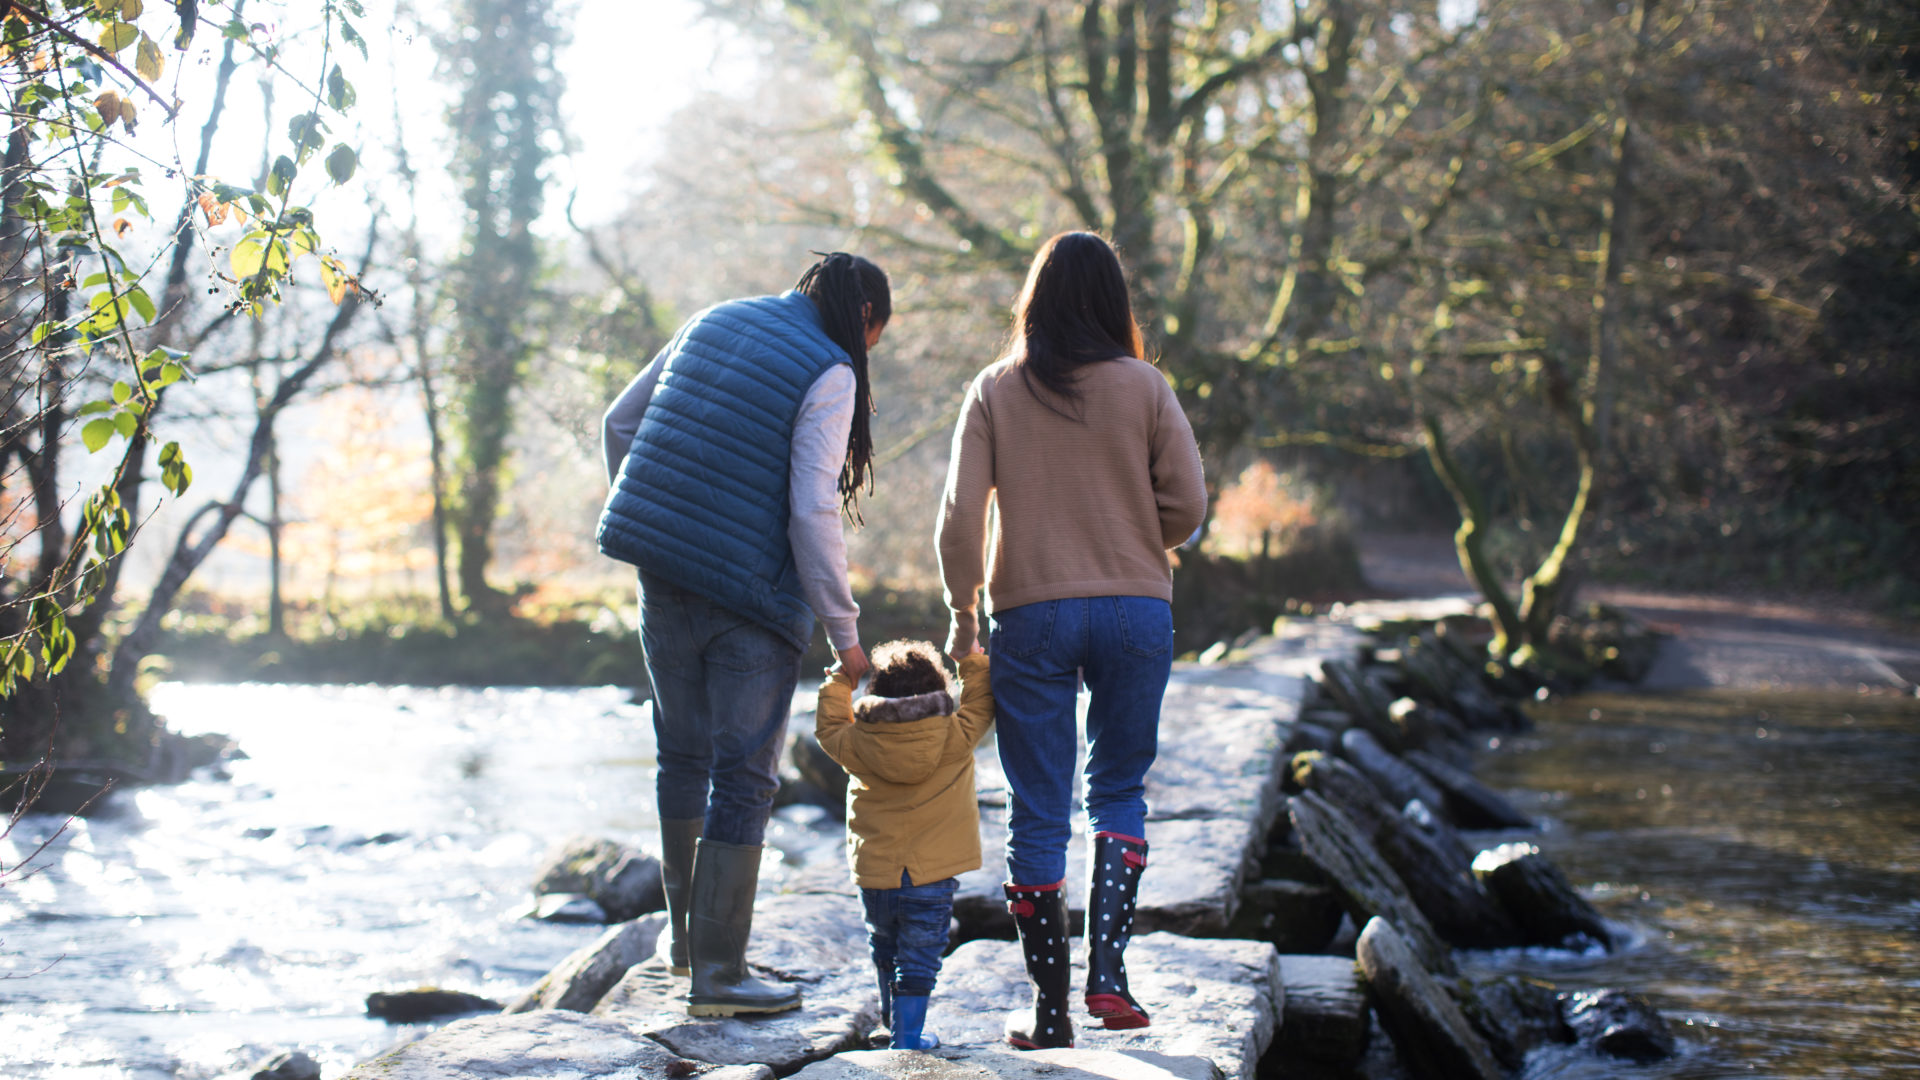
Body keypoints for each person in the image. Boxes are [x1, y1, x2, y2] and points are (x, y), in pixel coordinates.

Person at [598, 252, 889, 1017]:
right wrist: (846, 636)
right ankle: (721, 977)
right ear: (864, 320)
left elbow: (619, 424)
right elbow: (810, 511)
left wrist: (667, 526)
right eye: (876, 341)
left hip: (663, 582)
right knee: (746, 776)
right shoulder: (831, 368)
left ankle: (687, 948)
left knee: (682, 755)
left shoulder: (713, 319)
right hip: (753, 605)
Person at [935, 232, 1207, 1050]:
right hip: (1136, 609)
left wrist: (962, 612)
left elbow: (958, 517)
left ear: (1035, 301)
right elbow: (1189, 505)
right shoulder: (1146, 386)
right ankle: (1110, 979)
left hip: (1033, 615)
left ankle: (1051, 1013)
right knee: (1119, 789)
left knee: (1038, 809)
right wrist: (1133, 531)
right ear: (1113, 302)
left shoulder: (996, 389)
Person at [814, 639, 995, 1051]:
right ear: (938, 689)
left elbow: (826, 725)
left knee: (885, 948)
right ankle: (908, 1037)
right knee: (920, 958)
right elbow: (983, 701)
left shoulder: (856, 742)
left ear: (875, 693)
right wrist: (970, 659)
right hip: (933, 874)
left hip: (876, 872)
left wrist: (841, 680)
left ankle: (892, 1026)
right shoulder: (957, 733)